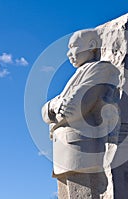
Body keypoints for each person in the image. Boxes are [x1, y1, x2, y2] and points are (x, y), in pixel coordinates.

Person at [42, 29, 120, 177]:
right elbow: (44, 112)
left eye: (72, 46)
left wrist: (55, 110)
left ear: (91, 45)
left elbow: (74, 109)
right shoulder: (80, 73)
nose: (68, 53)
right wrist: (55, 105)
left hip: (80, 148)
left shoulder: (99, 68)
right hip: (64, 149)